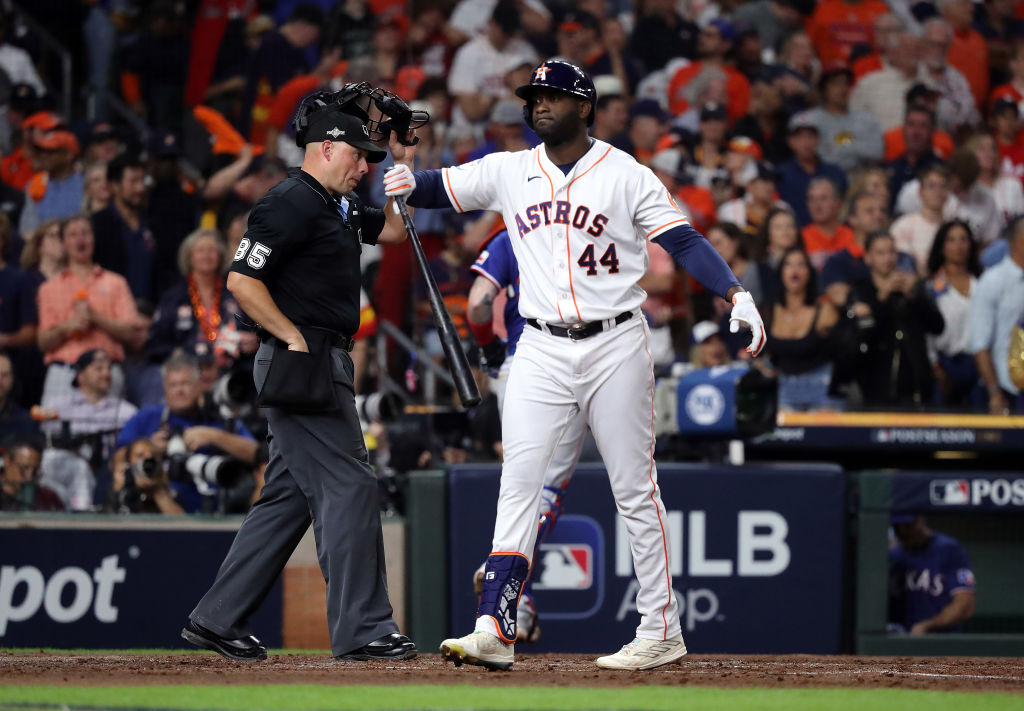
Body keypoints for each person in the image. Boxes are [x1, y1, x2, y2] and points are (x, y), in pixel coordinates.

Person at [388, 59, 765, 671]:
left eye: (553, 97)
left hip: (615, 341)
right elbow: (437, 187)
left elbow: (684, 241)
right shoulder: (513, 169)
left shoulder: (625, 174)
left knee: (634, 489)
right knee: (519, 483)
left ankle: (661, 627)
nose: (539, 106)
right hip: (538, 345)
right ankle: (495, 625)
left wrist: (735, 292)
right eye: (533, 98)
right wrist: (402, 174)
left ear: (584, 106)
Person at [182, 92, 419, 663]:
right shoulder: (290, 199)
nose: (365, 165)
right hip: (304, 357)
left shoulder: (332, 204)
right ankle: (364, 629)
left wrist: (398, 186)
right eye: (358, 155)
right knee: (352, 485)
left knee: (288, 495)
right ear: (327, 147)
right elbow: (242, 281)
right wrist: (290, 336)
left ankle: (218, 618)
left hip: (320, 355)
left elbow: (388, 234)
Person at [466, 228, 588, 643]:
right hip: (576, 358)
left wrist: (488, 347)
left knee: (521, 487)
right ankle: (501, 574)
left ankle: (521, 603)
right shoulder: (586, 223)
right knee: (548, 489)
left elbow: (479, 305)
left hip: (518, 367)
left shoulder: (512, 231)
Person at [114, 353, 259, 514]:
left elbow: (255, 453)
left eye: (185, 383)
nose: (179, 390)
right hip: (161, 508)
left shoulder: (219, 418)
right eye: (173, 385)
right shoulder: (147, 418)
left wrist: (214, 436)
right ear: (164, 388)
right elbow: (118, 460)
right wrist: (150, 451)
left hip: (220, 507)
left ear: (198, 385)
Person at [36, 215, 140, 408]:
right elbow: (43, 342)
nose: (80, 239)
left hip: (106, 373)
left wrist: (96, 318)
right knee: (56, 434)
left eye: (85, 233)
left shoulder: (115, 283)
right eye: (73, 234)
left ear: (93, 238)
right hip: (64, 372)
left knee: (111, 435)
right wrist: (66, 326)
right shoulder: (49, 288)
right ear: (64, 243)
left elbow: (130, 332)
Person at [850, 231, 945, 406]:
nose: (888, 258)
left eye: (892, 252)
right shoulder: (860, 291)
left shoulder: (911, 288)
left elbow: (938, 326)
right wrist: (881, 298)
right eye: (880, 253)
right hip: (876, 388)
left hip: (916, 386)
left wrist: (914, 296)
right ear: (868, 257)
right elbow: (859, 339)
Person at [39, 348, 137, 510]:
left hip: (107, 470)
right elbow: (44, 440)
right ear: (81, 376)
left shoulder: (127, 411)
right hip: (66, 472)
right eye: (98, 368)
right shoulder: (57, 407)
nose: (106, 373)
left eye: (108, 369)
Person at [147, 228, 256, 371]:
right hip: (187, 372)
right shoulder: (174, 296)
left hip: (231, 371)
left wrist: (253, 341)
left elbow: (252, 331)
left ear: (220, 256)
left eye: (212, 250)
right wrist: (177, 354)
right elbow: (156, 343)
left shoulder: (234, 293)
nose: (207, 255)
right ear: (189, 257)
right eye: (200, 250)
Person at [764, 247, 843, 411]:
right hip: (784, 386)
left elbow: (844, 349)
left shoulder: (825, 310)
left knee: (826, 435)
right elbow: (757, 349)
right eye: (788, 265)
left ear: (809, 273)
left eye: (801, 265)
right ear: (781, 273)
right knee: (779, 434)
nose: (795, 270)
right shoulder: (769, 311)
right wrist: (761, 364)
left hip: (822, 385)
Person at [969, 216, 1024, 414]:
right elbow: (979, 343)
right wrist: (995, 393)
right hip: (1009, 391)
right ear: (1013, 242)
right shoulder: (993, 281)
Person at [889, 513, 976, 634]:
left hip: (942, 643)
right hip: (901, 642)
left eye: (908, 525)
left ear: (921, 520)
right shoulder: (894, 555)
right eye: (897, 527)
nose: (903, 531)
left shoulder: (949, 549)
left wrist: (928, 625)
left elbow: (965, 605)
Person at [926, 220, 982, 407]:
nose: (958, 246)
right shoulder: (932, 287)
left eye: (964, 239)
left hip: (980, 364)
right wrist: (936, 368)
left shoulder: (983, 284)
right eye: (951, 240)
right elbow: (927, 333)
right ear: (942, 246)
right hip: (945, 364)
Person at [107, 437, 184, 514]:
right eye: (140, 456)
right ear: (128, 463)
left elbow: (181, 523)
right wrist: (119, 488)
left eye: (154, 455)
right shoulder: (123, 486)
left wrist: (158, 490)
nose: (148, 459)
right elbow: (107, 519)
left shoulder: (170, 491)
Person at [0, 437, 63, 512]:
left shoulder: (48, 498)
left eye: (35, 471)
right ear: (7, 461)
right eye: (23, 468)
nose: (29, 478)